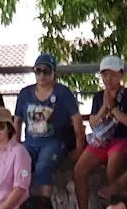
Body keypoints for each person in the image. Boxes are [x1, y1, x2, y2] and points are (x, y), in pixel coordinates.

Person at [70, 56, 127, 209]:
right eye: (105, 75)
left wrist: (113, 108)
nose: (108, 79)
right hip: (100, 140)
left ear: (121, 75)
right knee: (79, 170)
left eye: (112, 75)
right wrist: (105, 106)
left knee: (113, 167)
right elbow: (93, 122)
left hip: (122, 139)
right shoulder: (99, 97)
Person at [14, 54, 82, 198]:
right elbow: (17, 121)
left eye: (46, 71)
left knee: (42, 167)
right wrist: (16, 145)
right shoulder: (25, 94)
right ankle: (22, 208)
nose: (42, 75)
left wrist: (79, 148)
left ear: (54, 72)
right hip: (30, 142)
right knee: (18, 166)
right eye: (37, 71)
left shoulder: (63, 93)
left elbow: (77, 121)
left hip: (55, 141)